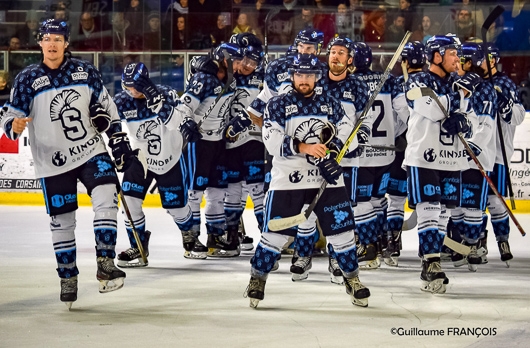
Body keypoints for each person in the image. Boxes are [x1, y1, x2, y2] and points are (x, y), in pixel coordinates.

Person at [0, 19, 144, 308]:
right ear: (39, 42)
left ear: (66, 42)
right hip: (53, 161)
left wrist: (115, 136)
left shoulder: (84, 71)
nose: (52, 43)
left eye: (58, 38)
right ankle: (68, 277)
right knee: (62, 222)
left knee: (106, 198)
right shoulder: (27, 78)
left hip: (91, 150)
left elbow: (107, 107)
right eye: (47, 38)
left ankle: (105, 262)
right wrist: (13, 124)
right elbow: (10, 118)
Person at [244, 53, 370, 308]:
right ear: (292, 76)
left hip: (327, 180)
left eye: (309, 75)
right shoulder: (277, 105)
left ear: (316, 77)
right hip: (288, 181)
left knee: (343, 233)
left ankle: (353, 279)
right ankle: (257, 279)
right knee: (275, 235)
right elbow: (271, 141)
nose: (304, 80)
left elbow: (347, 132)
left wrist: (332, 155)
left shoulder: (331, 104)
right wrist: (305, 147)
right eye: (300, 75)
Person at [403, 35, 479, 294]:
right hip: (423, 157)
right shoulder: (418, 80)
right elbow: (432, 108)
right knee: (430, 208)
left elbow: (472, 118)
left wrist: (464, 122)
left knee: (444, 211)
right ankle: (432, 262)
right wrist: (458, 101)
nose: (458, 59)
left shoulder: (459, 83)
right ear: (436, 55)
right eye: (452, 53)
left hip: (452, 158)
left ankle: (430, 259)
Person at [113, 62, 202, 264]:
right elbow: (107, 124)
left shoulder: (167, 94)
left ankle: (188, 232)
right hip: (140, 159)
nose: (131, 91)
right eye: (127, 86)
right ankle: (138, 244)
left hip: (169, 159)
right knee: (130, 201)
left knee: (177, 207)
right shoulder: (122, 101)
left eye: (136, 86)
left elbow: (182, 120)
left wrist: (157, 101)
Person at [181, 42, 244, 258]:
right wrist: (187, 123)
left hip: (219, 142)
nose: (239, 65)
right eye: (235, 61)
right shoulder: (203, 79)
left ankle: (214, 236)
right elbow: (183, 106)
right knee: (194, 193)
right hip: (198, 143)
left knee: (217, 192)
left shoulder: (232, 82)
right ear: (224, 60)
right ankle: (191, 240)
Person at [351, 41, 406, 270]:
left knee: (361, 202)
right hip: (386, 155)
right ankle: (385, 243)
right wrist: (393, 134)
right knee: (378, 200)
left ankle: (368, 246)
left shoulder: (350, 82)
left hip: (362, 155)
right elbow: (404, 113)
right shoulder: (389, 80)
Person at [448, 42, 497, 272]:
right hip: (457, 155)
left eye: (461, 59)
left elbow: (486, 123)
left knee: (473, 208)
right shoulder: (454, 85)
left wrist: (475, 147)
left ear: (470, 63)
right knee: (455, 205)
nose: (457, 62)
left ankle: (474, 245)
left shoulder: (484, 88)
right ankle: (462, 245)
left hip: (478, 157)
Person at [383, 41, 424, 267]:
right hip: (427, 151)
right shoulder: (434, 82)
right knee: (431, 201)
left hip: (403, 149)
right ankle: (434, 246)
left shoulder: (398, 84)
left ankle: (393, 244)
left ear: (404, 62)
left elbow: (400, 117)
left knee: (396, 199)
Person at [223, 33, 265, 252]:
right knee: (232, 189)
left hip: (256, 142)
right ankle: (231, 235)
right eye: (243, 60)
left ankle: (266, 240)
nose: (246, 66)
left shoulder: (266, 78)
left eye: (252, 61)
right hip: (231, 143)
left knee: (258, 189)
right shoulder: (226, 76)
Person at [485, 43, 526, 267]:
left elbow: (518, 116)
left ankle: (503, 241)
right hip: (473, 154)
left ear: (492, 60)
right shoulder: (473, 81)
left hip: (497, 154)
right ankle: (477, 242)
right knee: (473, 201)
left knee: (496, 202)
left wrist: (506, 107)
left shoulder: (505, 83)